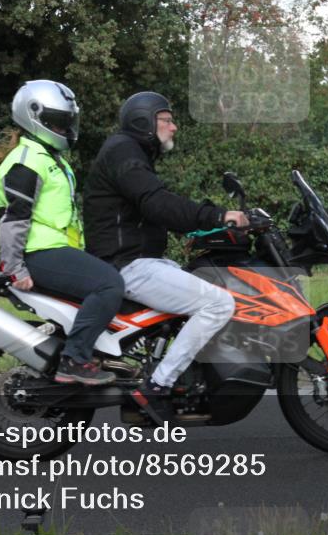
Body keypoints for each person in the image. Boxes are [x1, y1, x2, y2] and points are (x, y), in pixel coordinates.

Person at [83, 91, 249, 422]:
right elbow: (157, 203)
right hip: (128, 265)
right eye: (167, 119)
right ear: (145, 121)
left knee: (202, 279)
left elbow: (150, 210)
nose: (173, 127)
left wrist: (202, 232)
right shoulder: (124, 153)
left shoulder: (131, 154)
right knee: (218, 303)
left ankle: (178, 375)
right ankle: (158, 386)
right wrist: (217, 216)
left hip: (139, 259)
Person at [0, 79, 123, 386]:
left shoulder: (49, 158)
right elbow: (14, 219)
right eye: (59, 122)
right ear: (35, 118)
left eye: (67, 122)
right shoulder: (27, 162)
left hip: (56, 250)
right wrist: (14, 268)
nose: (66, 129)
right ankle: (75, 359)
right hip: (39, 254)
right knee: (109, 285)